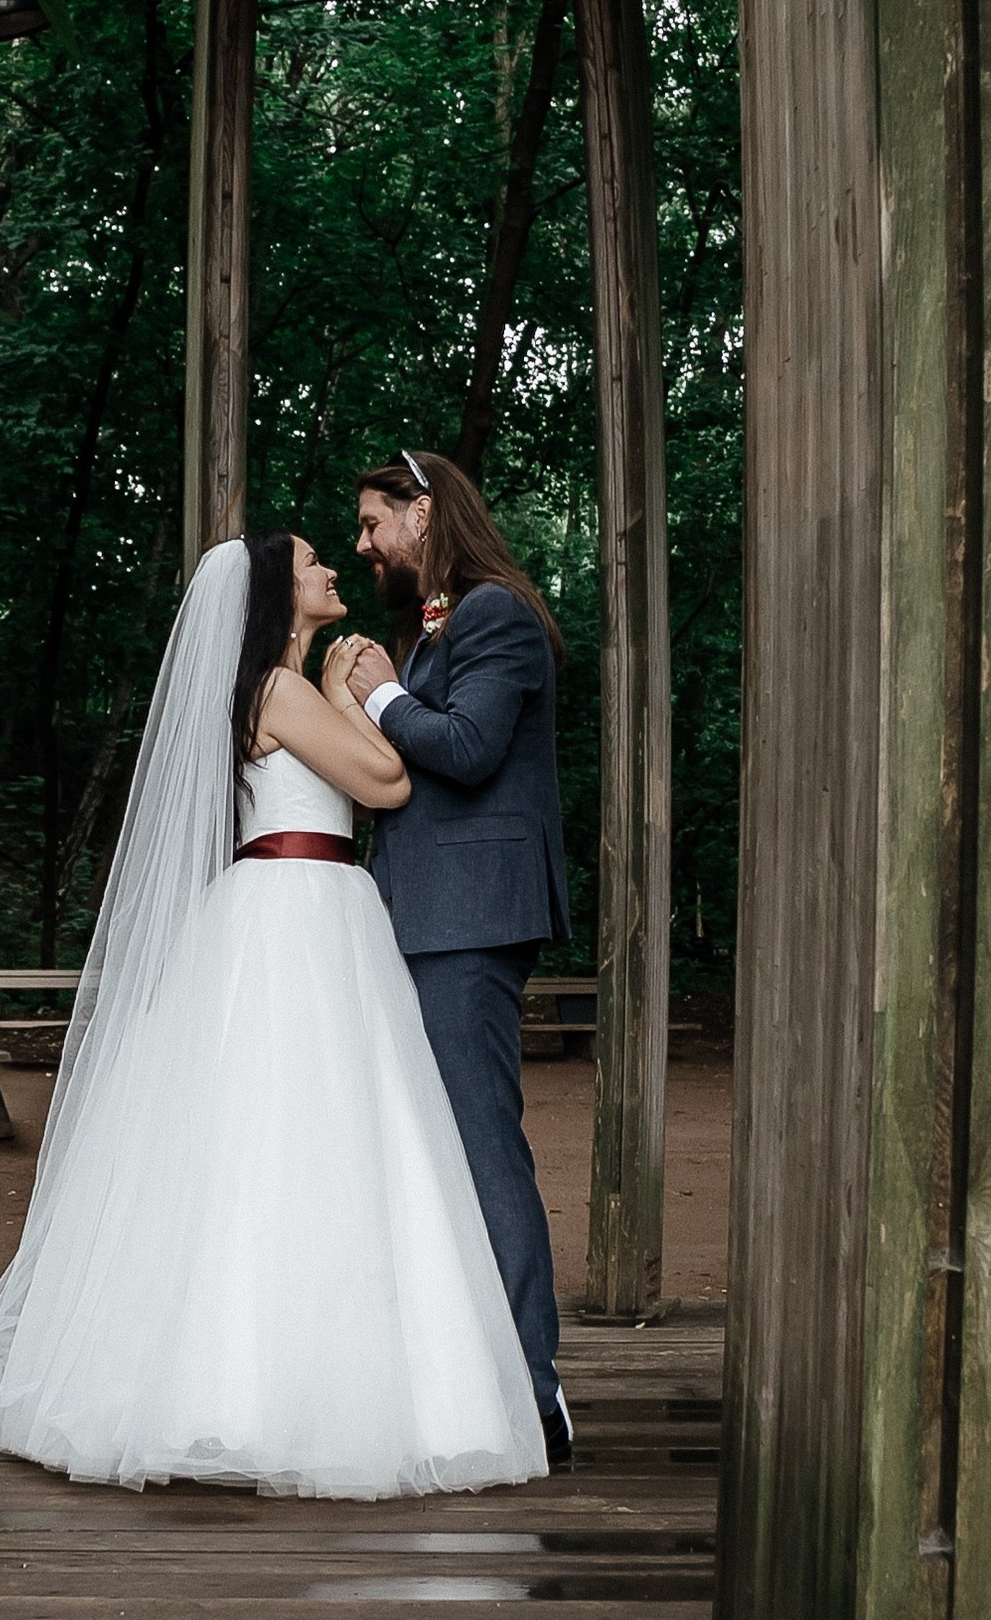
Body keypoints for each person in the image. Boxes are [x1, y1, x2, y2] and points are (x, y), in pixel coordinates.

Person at [0, 530, 547, 1499]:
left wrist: (350, 699)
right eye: (317, 562)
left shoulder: (274, 693)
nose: (332, 570)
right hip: (298, 912)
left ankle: (271, 1371)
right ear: (282, 592)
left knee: (291, 1140)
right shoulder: (281, 692)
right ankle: (270, 1388)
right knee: (303, 1134)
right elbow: (387, 781)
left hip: (304, 904)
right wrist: (358, 694)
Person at [342, 449, 574, 1465]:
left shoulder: (496, 614)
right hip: (426, 916)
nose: (363, 546)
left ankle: (533, 1395)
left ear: (423, 512)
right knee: (438, 1152)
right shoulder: (442, 623)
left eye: (371, 523)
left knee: (482, 1149)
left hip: (469, 923)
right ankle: (462, 1377)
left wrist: (387, 698)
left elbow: (472, 749)